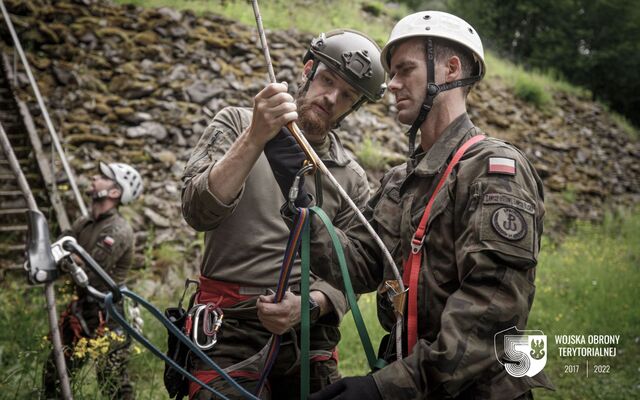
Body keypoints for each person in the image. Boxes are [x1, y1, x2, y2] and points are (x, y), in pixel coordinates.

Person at [269, 12, 554, 400]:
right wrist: (299, 199)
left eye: (405, 70)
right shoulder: (400, 181)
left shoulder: (493, 171)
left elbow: (490, 314)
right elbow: (354, 267)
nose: (391, 85)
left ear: (451, 69)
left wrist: (384, 389)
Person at [180, 29, 386, 399]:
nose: (331, 98)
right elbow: (197, 211)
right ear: (307, 70)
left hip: (308, 335)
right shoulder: (236, 124)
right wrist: (256, 136)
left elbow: (355, 269)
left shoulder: (349, 179)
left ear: (353, 108)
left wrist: (310, 304)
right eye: (327, 80)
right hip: (228, 325)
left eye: (347, 96)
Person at [42, 161, 143, 399]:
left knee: (113, 382)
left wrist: (69, 255)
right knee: (54, 373)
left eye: (102, 177)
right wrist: (68, 252)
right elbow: (64, 241)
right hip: (82, 307)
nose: (94, 179)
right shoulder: (85, 222)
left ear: (115, 192)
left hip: (109, 313)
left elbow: (91, 270)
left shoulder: (118, 230)